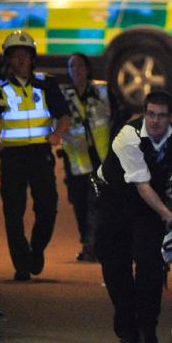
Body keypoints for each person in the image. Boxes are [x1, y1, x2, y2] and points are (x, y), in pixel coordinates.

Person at [94, 89, 172, 343]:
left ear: (171, 117)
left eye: (161, 116)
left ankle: (147, 328)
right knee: (116, 266)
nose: (155, 121)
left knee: (150, 264)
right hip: (115, 200)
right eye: (151, 115)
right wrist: (170, 217)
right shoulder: (129, 136)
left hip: (148, 204)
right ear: (145, 114)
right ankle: (127, 330)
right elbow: (142, 185)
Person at [0, 30, 70, 281]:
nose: (21, 60)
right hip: (12, 158)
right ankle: (21, 264)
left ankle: (37, 248)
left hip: (40, 154)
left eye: (25, 55)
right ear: (8, 59)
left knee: (47, 207)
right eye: (15, 55)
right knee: (13, 211)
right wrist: (0, 149)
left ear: (33, 59)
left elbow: (64, 115)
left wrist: (57, 134)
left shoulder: (46, 84)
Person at [58, 53, 114, 262]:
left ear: (88, 68)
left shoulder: (101, 91)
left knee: (97, 203)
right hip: (76, 160)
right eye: (72, 67)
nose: (77, 70)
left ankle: (93, 246)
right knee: (79, 202)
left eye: (80, 65)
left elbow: (116, 117)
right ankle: (87, 241)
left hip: (100, 158)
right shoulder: (64, 94)